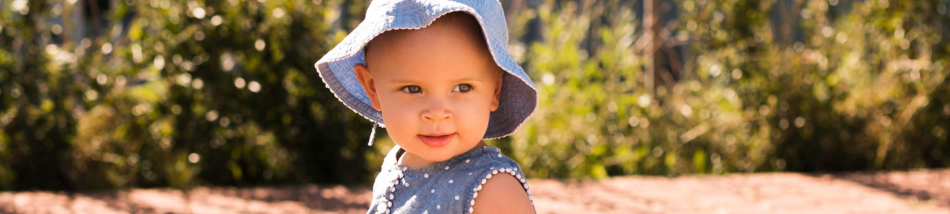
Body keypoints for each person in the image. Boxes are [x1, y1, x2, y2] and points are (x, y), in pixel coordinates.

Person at [314, 0, 538, 213]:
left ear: (495, 90)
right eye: (413, 89)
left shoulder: (495, 190)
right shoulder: (396, 165)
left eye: (462, 88)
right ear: (372, 88)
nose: (437, 114)